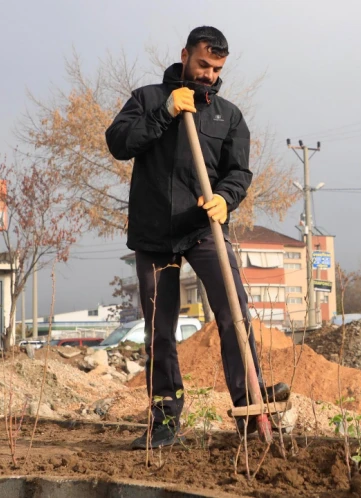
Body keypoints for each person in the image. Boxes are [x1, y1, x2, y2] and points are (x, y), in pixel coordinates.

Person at [105, 26, 289, 450]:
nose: (209, 74)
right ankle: (165, 419)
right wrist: (165, 111)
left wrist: (225, 198)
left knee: (234, 312)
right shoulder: (148, 99)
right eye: (203, 64)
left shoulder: (228, 115)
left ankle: (250, 404)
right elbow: (119, 143)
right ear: (185, 54)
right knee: (160, 329)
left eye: (217, 69)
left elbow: (238, 172)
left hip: (204, 231)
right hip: (154, 235)